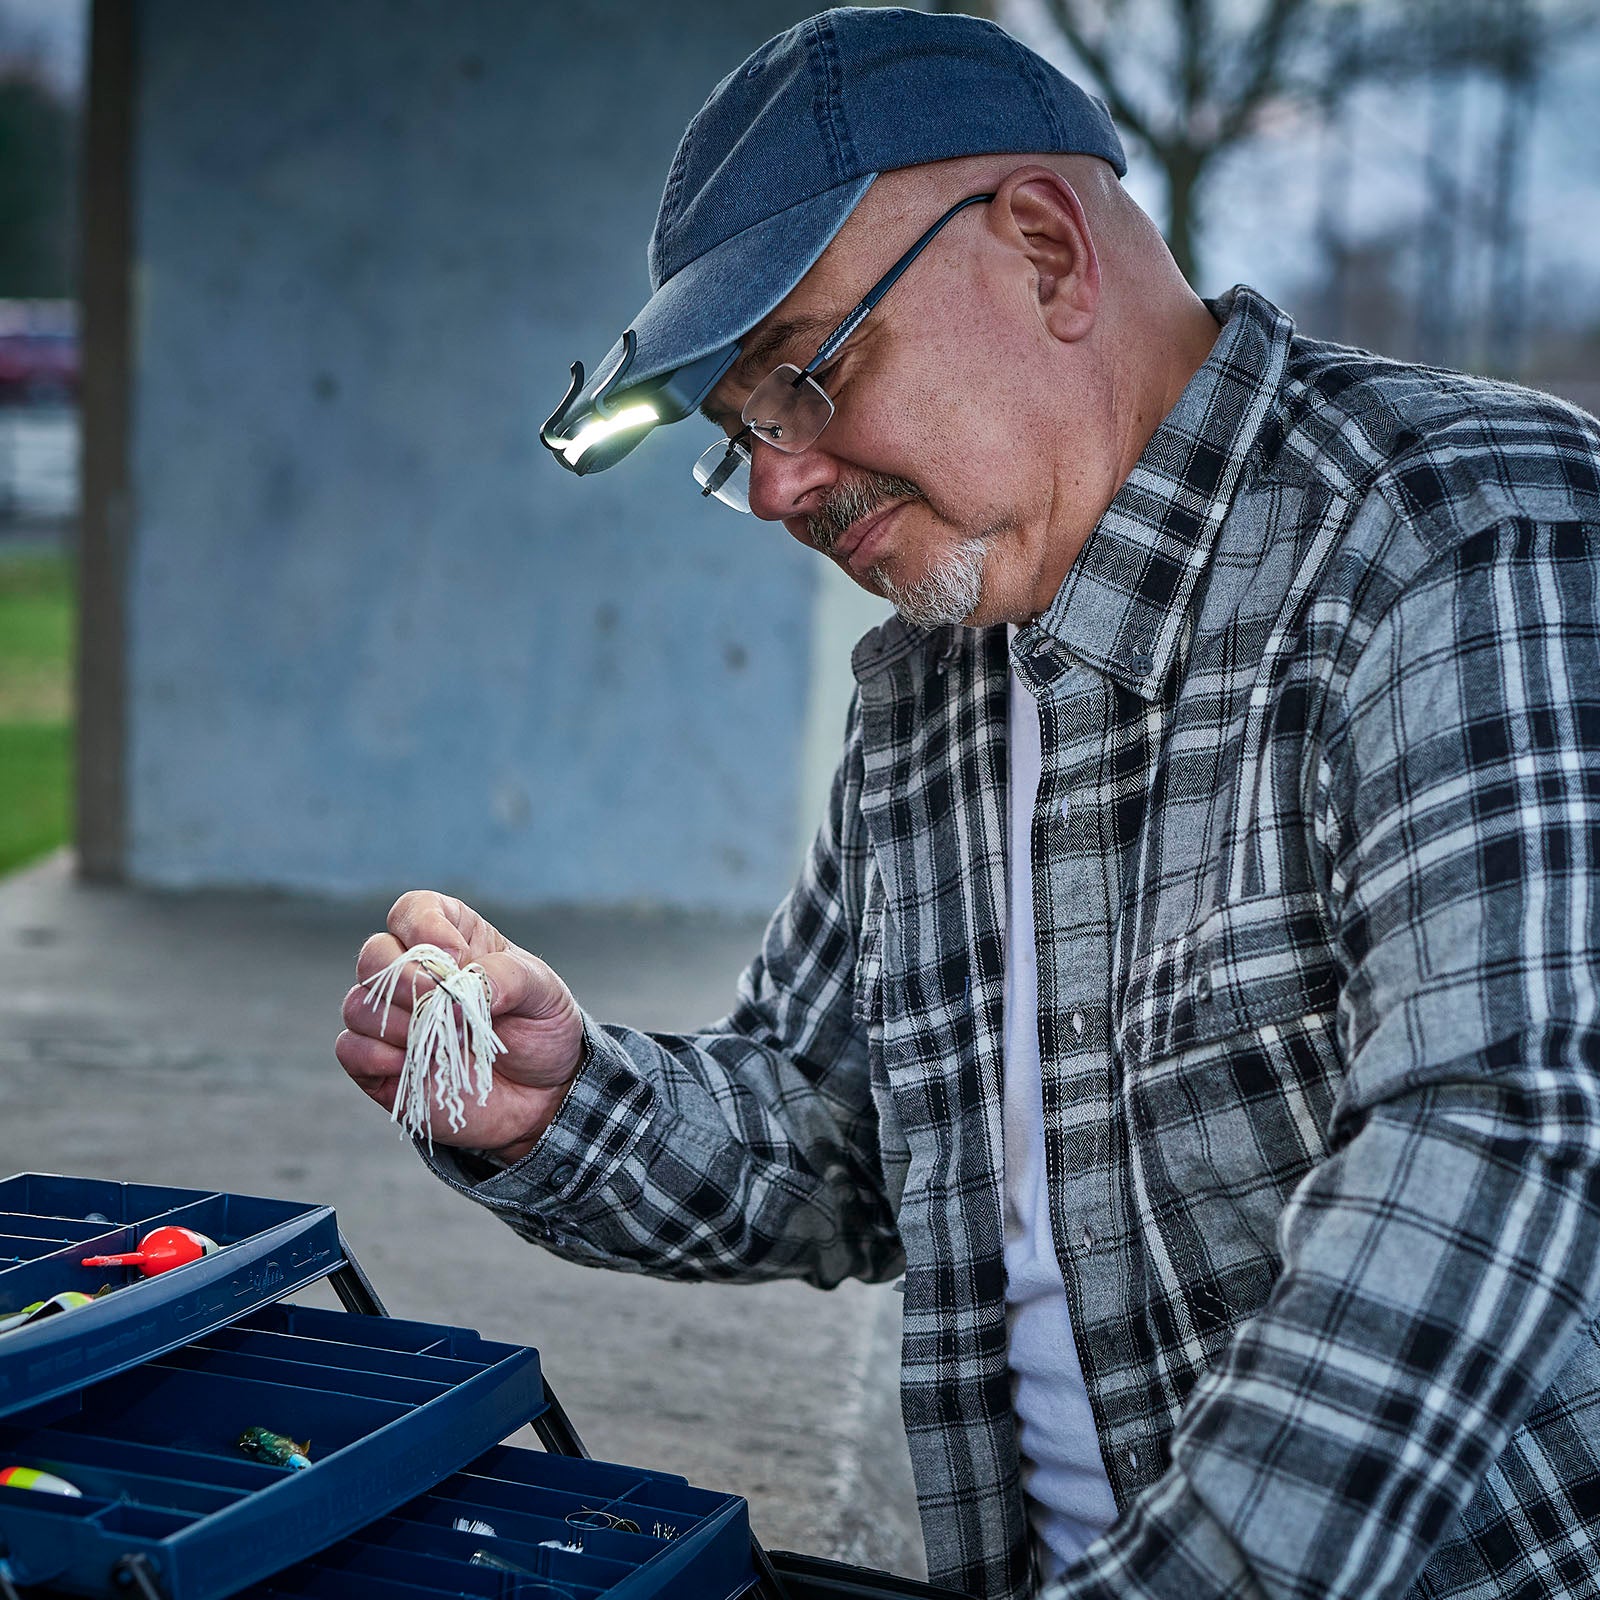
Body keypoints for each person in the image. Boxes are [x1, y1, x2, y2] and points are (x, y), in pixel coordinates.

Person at [335, 9, 1600, 1598]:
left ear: (1047, 253)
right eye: (742, 439)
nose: (784, 486)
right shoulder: (927, 695)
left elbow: (1496, 1152)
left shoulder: (1462, 539)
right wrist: (566, 1103)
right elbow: (847, 1147)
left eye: (809, 373)